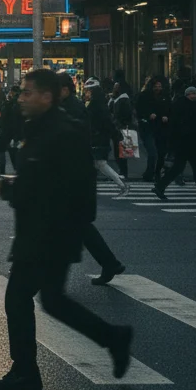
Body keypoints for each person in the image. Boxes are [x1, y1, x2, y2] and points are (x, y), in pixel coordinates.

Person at [0, 69, 133, 390]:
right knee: (52, 300)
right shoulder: (40, 128)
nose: (21, 98)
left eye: (27, 93)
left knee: (19, 298)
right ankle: (113, 338)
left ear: (47, 97)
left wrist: (15, 191)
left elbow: (69, 187)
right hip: (42, 231)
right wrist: (18, 185)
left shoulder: (61, 132)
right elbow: (43, 177)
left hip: (48, 233)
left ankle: (25, 371)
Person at [55, 73, 126, 286]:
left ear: (65, 90)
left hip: (74, 177)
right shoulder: (72, 107)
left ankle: (46, 274)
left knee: (69, 225)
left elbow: (70, 142)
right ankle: (110, 263)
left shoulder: (72, 109)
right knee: (80, 227)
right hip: (75, 175)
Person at [154, 85, 196, 200]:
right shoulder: (191, 107)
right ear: (187, 95)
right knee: (195, 168)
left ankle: (160, 186)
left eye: (195, 94)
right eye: (192, 94)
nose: (194, 96)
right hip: (188, 143)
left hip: (185, 143)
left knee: (181, 167)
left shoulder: (180, 105)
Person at [84, 79, 128, 195]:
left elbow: (108, 123)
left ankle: (122, 184)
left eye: (87, 91)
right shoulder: (99, 104)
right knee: (98, 164)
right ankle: (120, 182)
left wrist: (117, 136)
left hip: (98, 139)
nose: (86, 93)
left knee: (100, 164)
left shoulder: (96, 106)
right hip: (98, 138)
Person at [136, 76, 171, 183]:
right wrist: (148, 115)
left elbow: (170, 109)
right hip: (148, 128)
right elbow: (139, 110)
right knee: (152, 152)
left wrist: (166, 116)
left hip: (161, 128)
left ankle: (155, 173)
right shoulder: (144, 96)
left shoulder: (165, 97)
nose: (158, 88)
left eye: (159, 86)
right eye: (156, 86)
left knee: (161, 152)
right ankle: (149, 174)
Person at [109, 80, 135, 179]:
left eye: (117, 86)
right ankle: (122, 171)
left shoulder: (123, 98)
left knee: (122, 152)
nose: (115, 88)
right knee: (119, 151)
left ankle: (124, 172)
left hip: (121, 128)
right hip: (117, 128)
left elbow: (124, 114)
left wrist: (122, 123)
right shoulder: (115, 98)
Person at [0, 85, 23, 176]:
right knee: (13, 149)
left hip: (7, 129)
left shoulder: (10, 102)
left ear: (12, 92)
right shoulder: (22, 102)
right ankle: (16, 169)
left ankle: (2, 171)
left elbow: (4, 114)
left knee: (1, 148)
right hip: (17, 130)